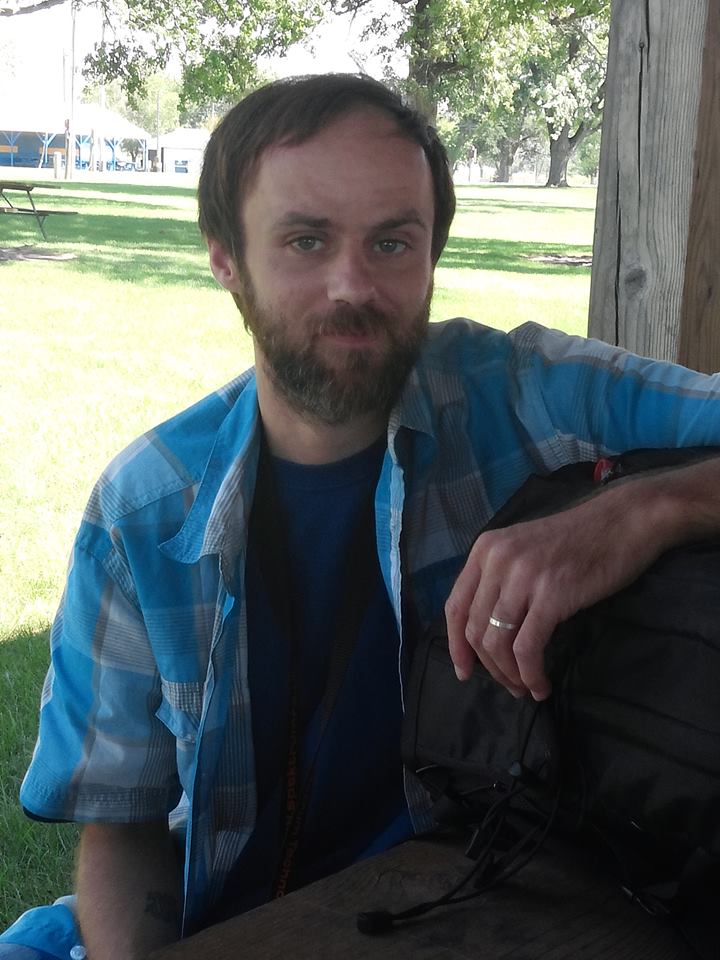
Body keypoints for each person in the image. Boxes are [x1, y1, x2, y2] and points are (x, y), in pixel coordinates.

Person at [3, 72, 720, 960]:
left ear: (432, 254)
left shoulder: (527, 397)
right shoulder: (144, 514)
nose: (353, 285)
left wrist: (643, 511)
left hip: (471, 899)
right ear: (226, 259)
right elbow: (123, 821)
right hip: (222, 918)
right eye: (306, 240)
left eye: (391, 242)